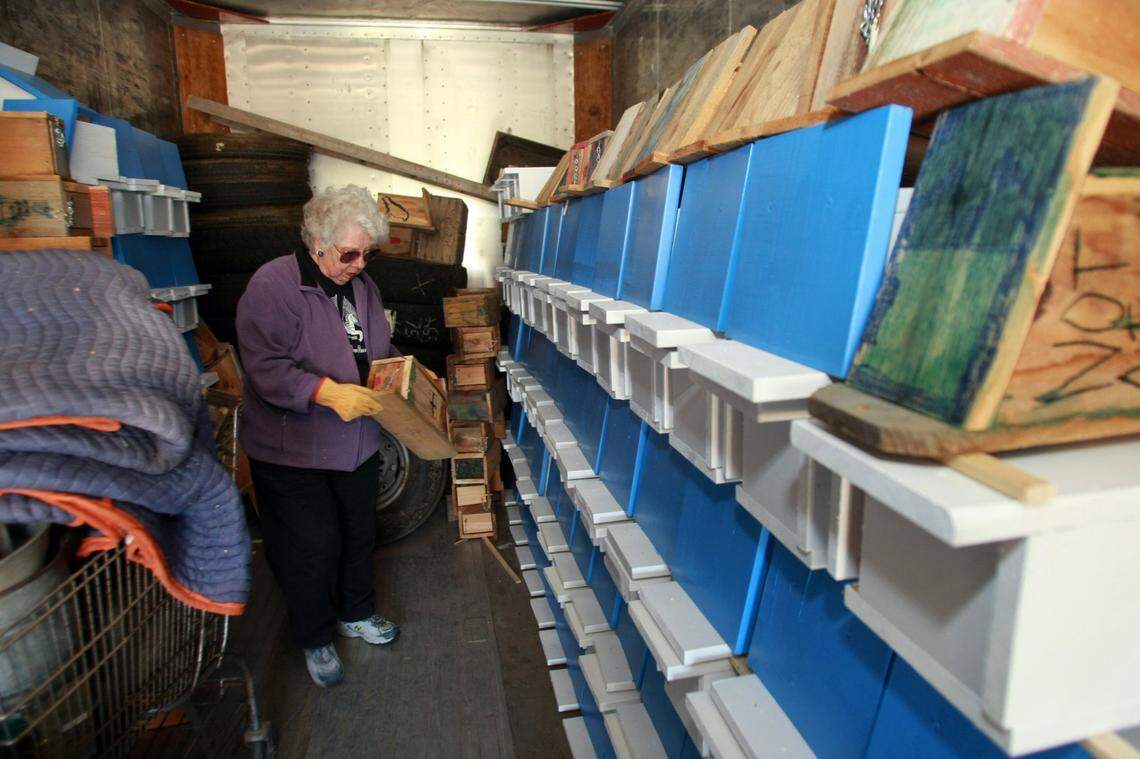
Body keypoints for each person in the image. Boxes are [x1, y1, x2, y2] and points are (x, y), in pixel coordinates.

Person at [236, 184, 400, 688]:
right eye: (349, 253)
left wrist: (404, 379)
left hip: (356, 442)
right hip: (294, 449)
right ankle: (315, 637)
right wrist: (327, 393)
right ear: (317, 242)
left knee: (357, 533)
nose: (358, 264)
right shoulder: (274, 286)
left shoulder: (362, 287)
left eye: (366, 253)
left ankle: (357, 612)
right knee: (312, 543)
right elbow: (265, 367)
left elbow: (379, 347)